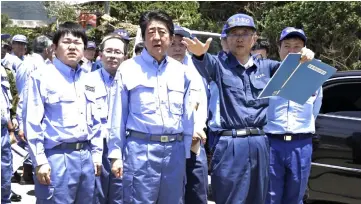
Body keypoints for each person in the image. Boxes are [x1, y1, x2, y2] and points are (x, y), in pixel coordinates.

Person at [183, 13, 315, 204]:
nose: (239, 38)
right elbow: (205, 62)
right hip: (230, 143)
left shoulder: (268, 67)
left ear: (254, 39)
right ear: (227, 39)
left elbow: (294, 74)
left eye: (245, 33)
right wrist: (199, 53)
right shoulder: (219, 65)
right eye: (234, 33)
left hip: (261, 142)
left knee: (259, 199)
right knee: (230, 199)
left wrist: (306, 59)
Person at [108, 10, 194, 204]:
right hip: (140, 152)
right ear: (144, 37)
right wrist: (115, 155)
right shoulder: (128, 69)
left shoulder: (182, 72)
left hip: (174, 152)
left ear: (171, 38)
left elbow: (188, 116)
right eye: (151, 32)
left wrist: (185, 152)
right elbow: (117, 115)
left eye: (162, 32)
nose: (157, 37)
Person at [24, 22, 102, 203]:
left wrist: (97, 154)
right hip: (56, 157)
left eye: (78, 42)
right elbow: (32, 122)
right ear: (54, 47)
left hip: (86, 155)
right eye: (67, 42)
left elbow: (97, 120)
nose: (73, 46)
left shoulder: (89, 79)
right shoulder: (41, 77)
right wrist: (40, 161)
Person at [264, 27, 322, 204]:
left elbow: (315, 110)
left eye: (297, 46)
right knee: (270, 196)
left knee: (295, 197)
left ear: (305, 50)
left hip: (301, 144)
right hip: (272, 143)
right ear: (279, 49)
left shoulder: (314, 77)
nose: (291, 51)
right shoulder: (267, 74)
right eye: (287, 46)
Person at [167, 25, 209, 204]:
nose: (177, 48)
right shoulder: (160, 69)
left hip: (194, 143)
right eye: (173, 43)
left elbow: (202, 101)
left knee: (197, 192)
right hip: (169, 144)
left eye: (182, 44)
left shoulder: (197, 67)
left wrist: (198, 127)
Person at [88, 33, 128, 204]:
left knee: (121, 195)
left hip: (123, 146)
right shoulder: (87, 81)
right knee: (96, 195)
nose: (113, 55)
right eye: (109, 51)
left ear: (125, 56)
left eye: (118, 52)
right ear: (101, 54)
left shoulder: (131, 81)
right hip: (96, 146)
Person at [15, 35, 54, 185]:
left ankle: (28, 175)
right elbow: (26, 97)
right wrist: (22, 121)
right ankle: (28, 175)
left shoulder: (31, 63)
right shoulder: (36, 66)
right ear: (47, 49)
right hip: (27, 112)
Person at [1, 41, 21, 203]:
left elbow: (10, 99)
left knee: (5, 171)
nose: (3, 50)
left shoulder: (5, 72)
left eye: (4, 48)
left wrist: (11, 122)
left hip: (3, 130)